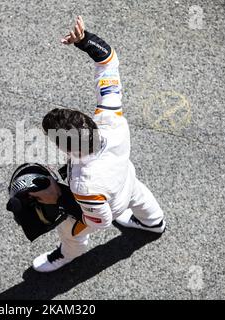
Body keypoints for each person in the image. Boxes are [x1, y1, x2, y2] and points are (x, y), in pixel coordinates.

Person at [29, 16, 166, 273]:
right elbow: (108, 62)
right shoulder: (109, 117)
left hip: (108, 203)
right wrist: (85, 41)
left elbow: (99, 220)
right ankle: (154, 223)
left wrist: (59, 203)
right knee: (141, 198)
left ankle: (67, 254)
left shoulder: (83, 185)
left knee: (69, 231)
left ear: (66, 149)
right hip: (127, 179)